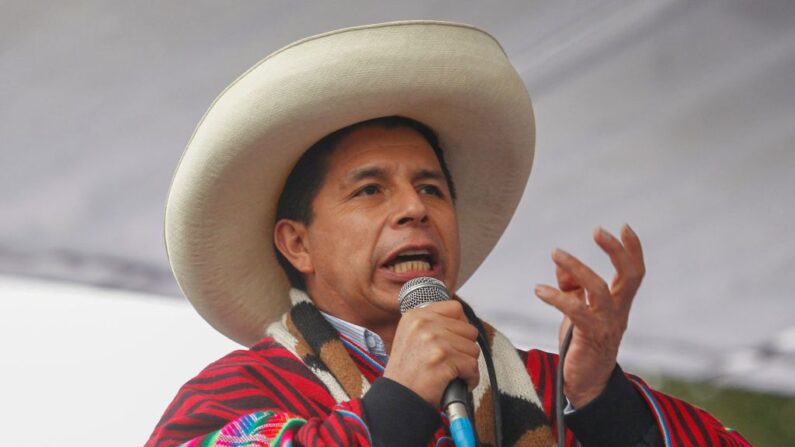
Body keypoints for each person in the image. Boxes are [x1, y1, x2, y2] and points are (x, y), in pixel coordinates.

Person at [147, 21, 750, 446]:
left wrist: (600, 401)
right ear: (296, 243)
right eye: (371, 189)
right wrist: (398, 404)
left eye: (432, 189)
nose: (415, 207)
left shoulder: (551, 386)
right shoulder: (241, 391)